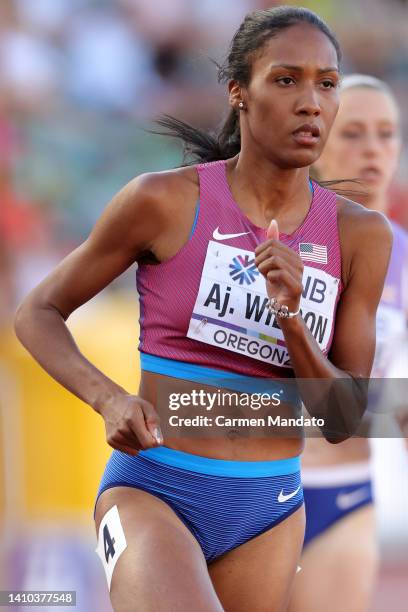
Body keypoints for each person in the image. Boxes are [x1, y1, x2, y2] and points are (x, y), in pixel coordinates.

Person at [14, 8, 392, 612]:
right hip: (155, 487)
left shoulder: (361, 236)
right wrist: (108, 397)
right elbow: (38, 312)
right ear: (239, 91)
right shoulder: (162, 201)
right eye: (286, 79)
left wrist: (291, 319)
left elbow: (342, 418)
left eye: (327, 83)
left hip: (268, 510)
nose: (311, 103)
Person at [289, 75, 408, 612]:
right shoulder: (272, 239)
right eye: (354, 133)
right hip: (248, 489)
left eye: (387, 134)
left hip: (346, 493)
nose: (373, 151)